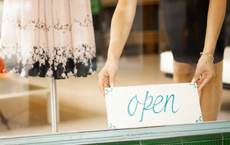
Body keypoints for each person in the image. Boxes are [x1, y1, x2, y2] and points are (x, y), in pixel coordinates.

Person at [98, 0, 227, 122]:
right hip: (177, 6)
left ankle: (205, 137)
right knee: (183, 68)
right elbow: (125, 8)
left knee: (212, 70)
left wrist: (208, 54)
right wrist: (111, 60)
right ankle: (183, 136)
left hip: (211, 4)